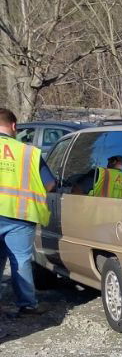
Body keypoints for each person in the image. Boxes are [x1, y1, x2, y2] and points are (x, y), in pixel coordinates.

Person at [0, 107, 55, 316]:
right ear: (14, 126)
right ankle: (28, 304)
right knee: (20, 259)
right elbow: (49, 184)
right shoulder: (29, 153)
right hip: (20, 215)